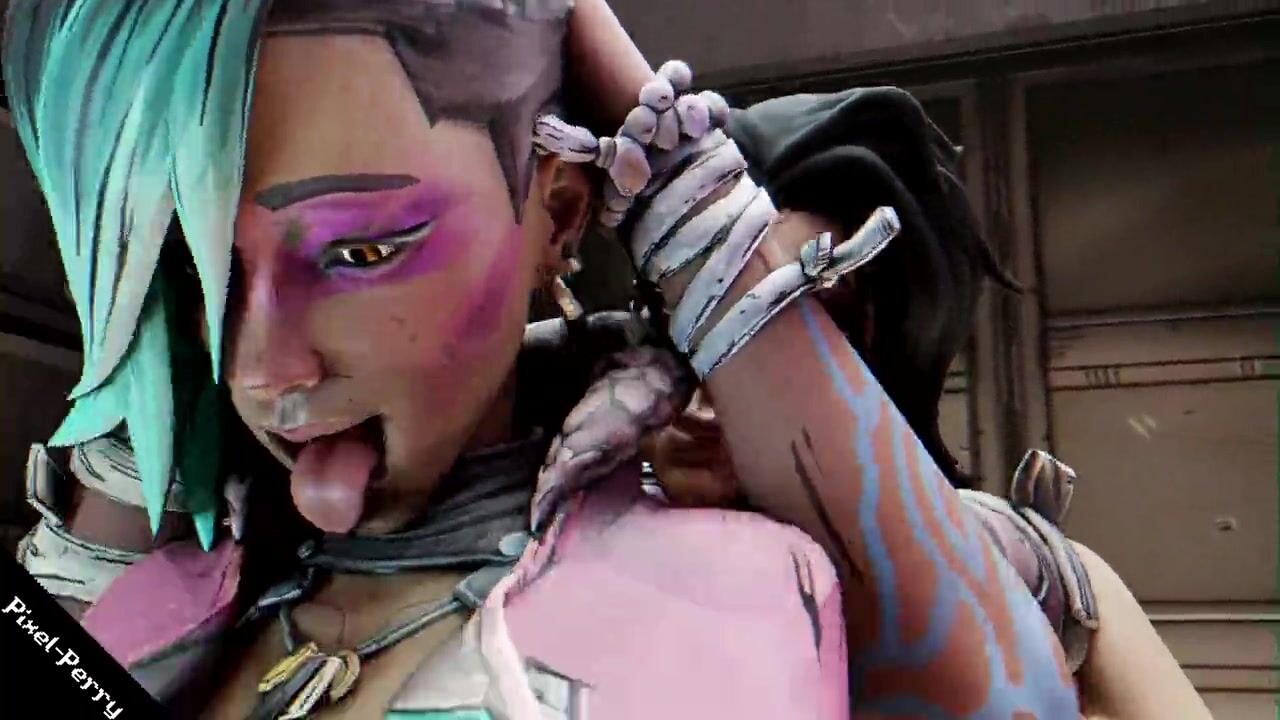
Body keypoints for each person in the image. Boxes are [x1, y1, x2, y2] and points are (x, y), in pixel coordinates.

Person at [5, 0, 1085, 717]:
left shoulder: (719, 602)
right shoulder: (167, 593)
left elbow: (998, 699)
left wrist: (685, 192)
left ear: (559, 215)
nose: (264, 368)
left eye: (363, 250)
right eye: (197, 274)